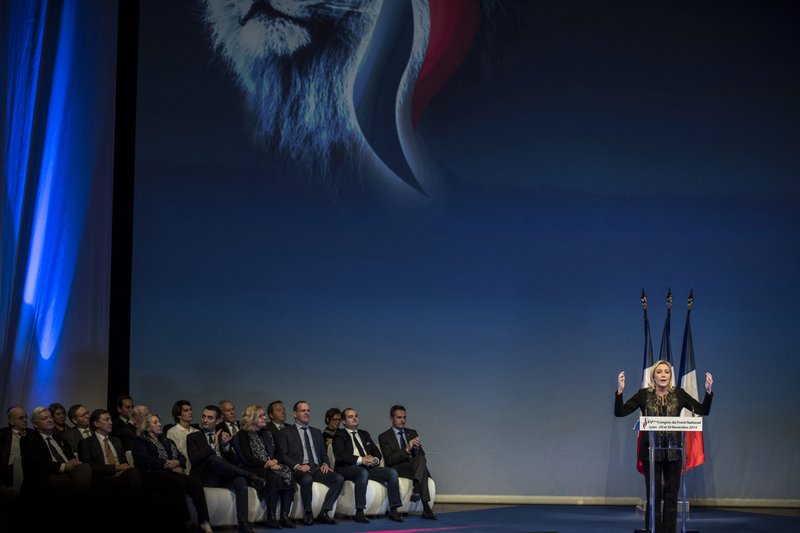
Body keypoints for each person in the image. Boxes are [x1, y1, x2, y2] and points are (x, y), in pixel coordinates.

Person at [615, 360, 714, 533]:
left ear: (670, 376)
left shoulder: (679, 394)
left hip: (674, 452)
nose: (663, 375)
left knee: (671, 496)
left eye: (666, 372)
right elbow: (620, 412)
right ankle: (654, 530)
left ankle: (669, 531)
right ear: (653, 376)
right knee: (653, 496)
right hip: (651, 453)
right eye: (659, 372)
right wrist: (620, 391)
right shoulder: (643, 395)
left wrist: (708, 392)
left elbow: (702, 410)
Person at [188, 405, 266, 533]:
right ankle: (250, 476)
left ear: (218, 421)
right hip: (206, 477)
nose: (205, 420)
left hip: (224, 476)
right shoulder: (193, 437)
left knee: (240, 481)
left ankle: (243, 524)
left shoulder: (223, 436)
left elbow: (234, 461)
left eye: (210, 418)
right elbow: (194, 458)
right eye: (203, 416)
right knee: (213, 459)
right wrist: (213, 446)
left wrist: (226, 447)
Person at [131, 413, 213, 533]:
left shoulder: (167, 441)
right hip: (152, 475)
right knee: (177, 482)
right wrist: (168, 465)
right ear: (147, 427)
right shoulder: (140, 441)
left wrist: (177, 462)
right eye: (155, 422)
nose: (160, 424)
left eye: (159, 421)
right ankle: (185, 521)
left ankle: (204, 521)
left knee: (195, 482)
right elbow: (144, 459)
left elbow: (181, 457)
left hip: (170, 474)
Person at [332, 408, 403, 523]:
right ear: (344, 421)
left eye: (356, 416)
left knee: (392, 473)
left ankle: (394, 510)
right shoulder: (339, 435)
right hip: (347, 468)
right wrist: (361, 460)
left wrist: (373, 460)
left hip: (368, 467)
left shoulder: (364, 434)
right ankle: (360, 512)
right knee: (362, 472)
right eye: (350, 417)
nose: (354, 418)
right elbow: (340, 455)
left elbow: (377, 452)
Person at [278, 401, 343, 526]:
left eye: (308, 410)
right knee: (307, 479)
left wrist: (325, 464)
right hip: (298, 469)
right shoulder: (286, 432)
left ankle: (325, 512)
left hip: (316, 468)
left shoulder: (316, 432)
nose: (306, 413)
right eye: (303, 410)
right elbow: (283, 455)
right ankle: (308, 513)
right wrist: (298, 466)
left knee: (338, 478)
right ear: (295, 414)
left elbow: (323, 454)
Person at [233, 405, 296, 529]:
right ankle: (271, 517)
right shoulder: (242, 434)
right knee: (274, 477)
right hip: (252, 467)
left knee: (289, 473)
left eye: (264, 415)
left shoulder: (268, 432)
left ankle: (285, 516)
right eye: (261, 415)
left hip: (271, 465)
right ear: (252, 418)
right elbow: (247, 457)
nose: (264, 418)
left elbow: (279, 452)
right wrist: (266, 464)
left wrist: (274, 461)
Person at [378, 405, 436, 519]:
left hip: (413, 467)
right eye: (399, 417)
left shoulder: (412, 432)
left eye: (404, 417)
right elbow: (390, 460)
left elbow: (421, 455)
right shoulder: (384, 437)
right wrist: (407, 449)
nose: (403, 420)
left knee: (421, 459)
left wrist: (415, 449)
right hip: (397, 468)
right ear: (391, 418)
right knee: (422, 469)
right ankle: (425, 507)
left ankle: (417, 490)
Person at [19, 406, 91, 494]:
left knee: (85, 467)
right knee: (70, 483)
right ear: (35, 424)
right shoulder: (28, 440)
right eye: (44, 418)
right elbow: (39, 463)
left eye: (50, 417)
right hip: (48, 475)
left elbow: (70, 456)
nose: (50, 420)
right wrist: (64, 467)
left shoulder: (61, 438)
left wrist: (73, 461)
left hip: (69, 472)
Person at [77, 409, 140, 489]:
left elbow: (124, 462)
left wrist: (122, 469)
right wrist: (115, 468)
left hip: (121, 474)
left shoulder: (116, 440)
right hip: (102, 477)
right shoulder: (86, 443)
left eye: (110, 419)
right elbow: (90, 467)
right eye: (106, 420)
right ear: (96, 423)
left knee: (134, 471)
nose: (111, 422)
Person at [166, 400, 199, 472]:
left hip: (199, 470)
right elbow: (173, 454)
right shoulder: (172, 432)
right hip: (183, 471)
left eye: (190, 409)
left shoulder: (197, 431)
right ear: (179, 415)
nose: (190, 412)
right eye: (186, 410)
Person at [1, 406, 29, 489]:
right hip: (10, 471)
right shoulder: (2, 435)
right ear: (11, 421)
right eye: (21, 418)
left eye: (26, 417)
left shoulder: (33, 434)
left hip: (31, 468)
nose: (25, 420)